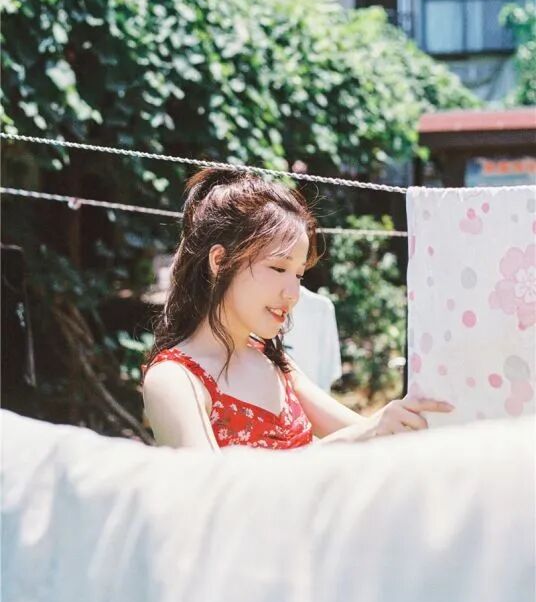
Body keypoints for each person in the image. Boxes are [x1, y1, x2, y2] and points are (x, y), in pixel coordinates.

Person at [142, 167, 454, 450]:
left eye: (299, 275)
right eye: (278, 268)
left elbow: (369, 433)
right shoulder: (173, 379)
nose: (292, 294)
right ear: (220, 261)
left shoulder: (273, 361)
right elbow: (220, 490)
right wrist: (359, 436)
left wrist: (408, 419)